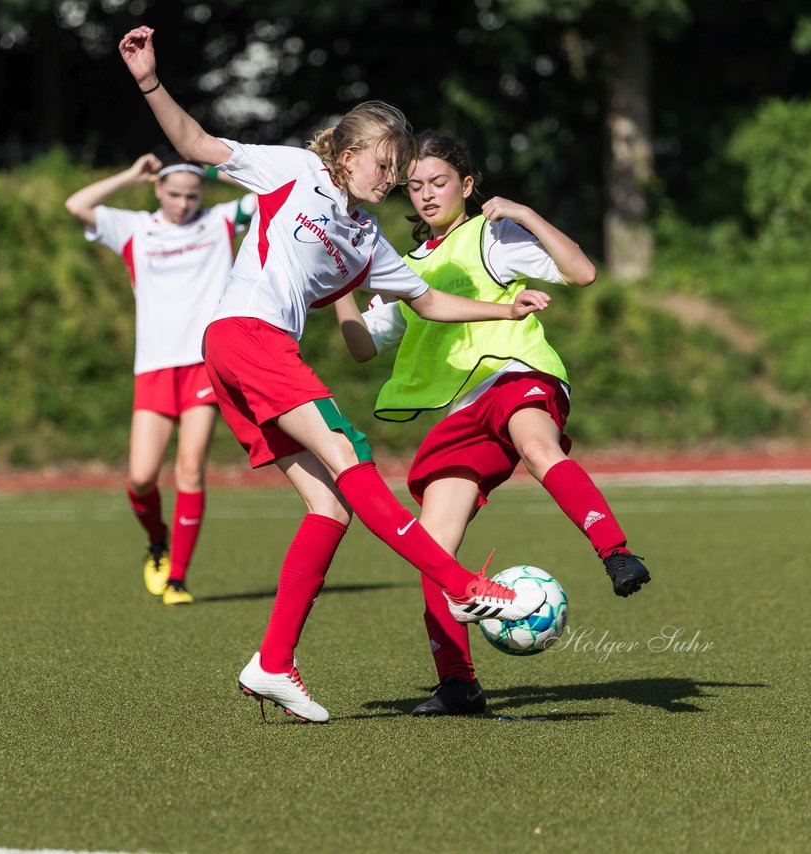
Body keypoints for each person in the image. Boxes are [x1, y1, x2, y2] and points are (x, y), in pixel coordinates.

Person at [119, 26, 550, 724]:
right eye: (384, 164)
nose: (394, 178)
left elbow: (430, 301)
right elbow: (197, 144)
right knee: (348, 453)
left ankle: (273, 664)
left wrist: (502, 305)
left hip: (248, 356)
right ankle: (468, 586)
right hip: (244, 336)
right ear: (346, 157)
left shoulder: (368, 237)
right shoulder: (294, 169)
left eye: (400, 166)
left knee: (330, 507)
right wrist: (148, 79)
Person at [333, 131, 652, 716]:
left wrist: (525, 212)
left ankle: (615, 552)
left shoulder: (493, 235)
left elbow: (581, 273)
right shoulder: (406, 268)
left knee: (536, 447)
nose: (427, 195)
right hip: (463, 411)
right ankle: (458, 685)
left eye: (439, 182)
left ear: (468, 185)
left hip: (517, 376)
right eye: (416, 185)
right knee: (433, 550)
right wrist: (340, 285)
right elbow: (358, 348)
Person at [65, 151, 256, 606]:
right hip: (153, 366)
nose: (183, 203)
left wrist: (212, 171)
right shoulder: (136, 228)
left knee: (189, 469)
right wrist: (130, 174)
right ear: (158, 190)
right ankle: (157, 542)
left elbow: (271, 194)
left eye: (192, 195)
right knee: (141, 477)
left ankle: (178, 579)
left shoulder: (220, 221)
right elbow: (77, 204)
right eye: (174, 194)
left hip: (204, 362)